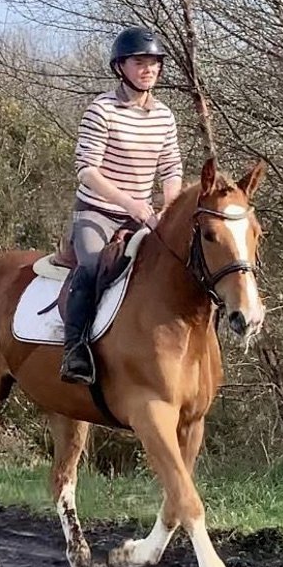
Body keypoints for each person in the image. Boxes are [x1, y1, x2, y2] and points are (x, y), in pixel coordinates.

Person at [60, 25, 184, 385]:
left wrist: (170, 206)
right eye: (139, 62)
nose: (149, 69)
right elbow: (87, 171)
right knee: (91, 267)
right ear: (120, 67)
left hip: (141, 217)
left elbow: (171, 167)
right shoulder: (101, 110)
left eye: (154, 62)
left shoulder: (164, 116)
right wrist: (131, 203)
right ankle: (75, 351)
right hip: (97, 213)